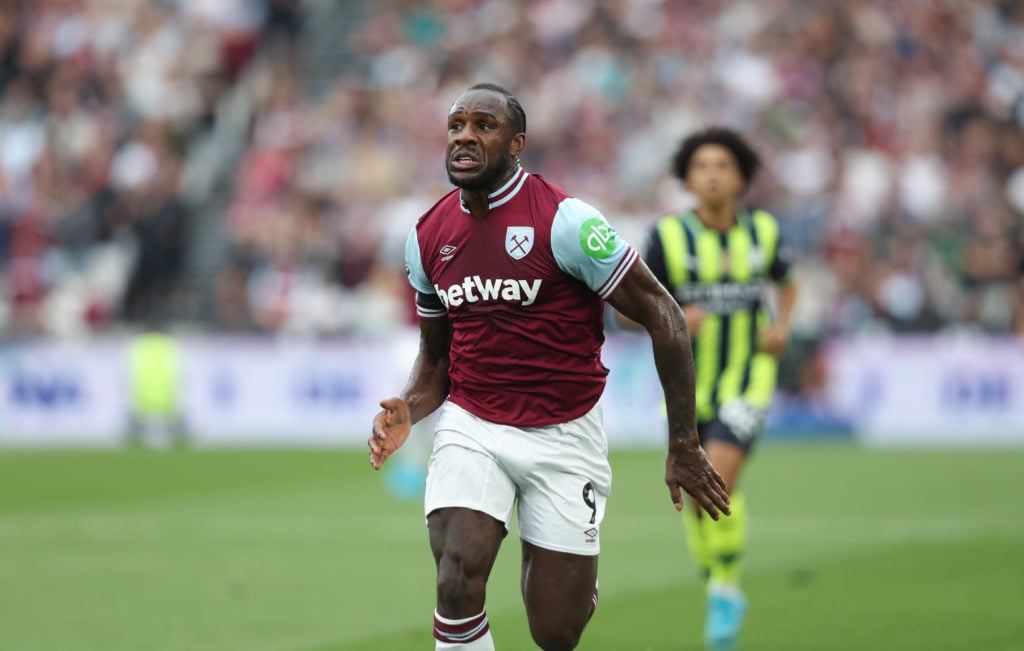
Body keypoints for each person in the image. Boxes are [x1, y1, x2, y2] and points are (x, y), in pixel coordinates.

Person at [367, 83, 731, 651]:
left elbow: (665, 315)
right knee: (457, 579)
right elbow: (436, 359)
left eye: (483, 126)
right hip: (474, 424)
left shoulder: (566, 221)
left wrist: (683, 442)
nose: (465, 135)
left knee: (555, 631)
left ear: (516, 143)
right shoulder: (427, 236)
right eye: (456, 124)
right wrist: (409, 409)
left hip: (565, 432)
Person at [637, 127, 797, 648]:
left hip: (747, 379)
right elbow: (635, 307)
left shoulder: (765, 232)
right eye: (701, 165)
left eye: (723, 165)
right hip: (685, 386)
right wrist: (676, 317)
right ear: (686, 176)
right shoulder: (667, 238)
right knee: (695, 491)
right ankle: (718, 584)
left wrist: (782, 326)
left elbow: (789, 281)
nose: (711, 174)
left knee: (719, 483)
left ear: (741, 176)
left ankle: (725, 590)